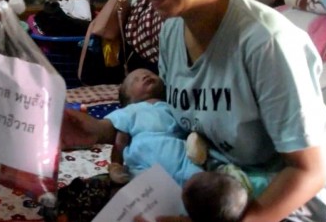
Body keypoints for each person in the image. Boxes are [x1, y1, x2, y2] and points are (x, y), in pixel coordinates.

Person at [61, 0, 326, 222]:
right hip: (209, 197)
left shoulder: (267, 43)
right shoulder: (172, 33)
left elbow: (309, 172)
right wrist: (101, 130)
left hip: (277, 210)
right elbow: (175, 122)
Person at [109, 68, 260, 222]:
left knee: (205, 191)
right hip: (144, 163)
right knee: (135, 198)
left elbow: (192, 127)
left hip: (182, 160)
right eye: (136, 79)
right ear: (127, 98)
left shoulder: (174, 106)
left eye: (150, 73)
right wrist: (115, 164)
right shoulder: (131, 111)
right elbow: (120, 140)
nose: (145, 76)